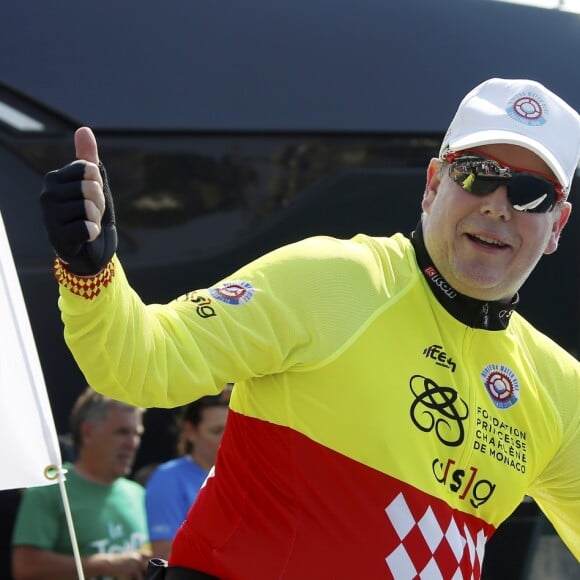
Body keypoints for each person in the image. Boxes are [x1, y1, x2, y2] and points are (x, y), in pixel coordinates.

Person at [38, 77, 580, 579]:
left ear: (556, 224)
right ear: (435, 183)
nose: (498, 207)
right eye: (478, 174)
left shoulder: (557, 387)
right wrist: (90, 272)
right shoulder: (332, 280)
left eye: (530, 193)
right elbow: (140, 363)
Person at [12, 387, 151, 579]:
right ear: (87, 432)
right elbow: (26, 567)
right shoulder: (51, 489)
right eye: (122, 432)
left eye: (137, 434)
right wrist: (106, 564)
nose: (132, 444)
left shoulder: (138, 493)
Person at [146, 392, 230, 560]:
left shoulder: (242, 478)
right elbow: (166, 556)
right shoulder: (167, 479)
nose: (227, 438)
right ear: (190, 431)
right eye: (216, 431)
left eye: (231, 430)